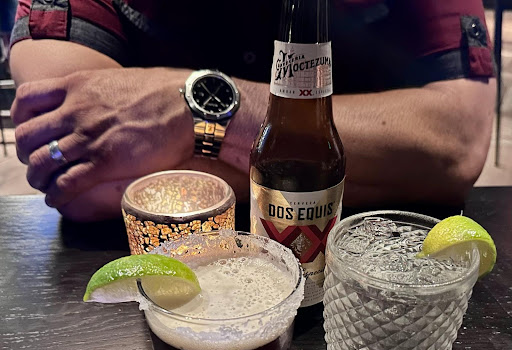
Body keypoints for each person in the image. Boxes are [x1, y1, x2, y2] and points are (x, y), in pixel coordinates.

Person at [8, 0, 496, 222]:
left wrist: (191, 109)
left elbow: (454, 146)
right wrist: (377, 165)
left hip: (357, 289)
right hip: (149, 297)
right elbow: (81, 178)